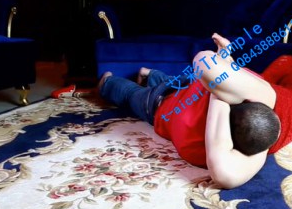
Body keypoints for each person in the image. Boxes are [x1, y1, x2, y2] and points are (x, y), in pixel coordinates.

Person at [97, 68, 281, 189]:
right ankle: (107, 82)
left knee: (169, 83)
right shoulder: (197, 151)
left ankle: (149, 74)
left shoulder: (232, 86)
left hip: (178, 88)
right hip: (159, 102)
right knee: (131, 94)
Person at [194, 14, 292, 151]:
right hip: (271, 112)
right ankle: (225, 59)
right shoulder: (288, 62)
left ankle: (225, 61)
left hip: (278, 130)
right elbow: (259, 85)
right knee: (216, 76)